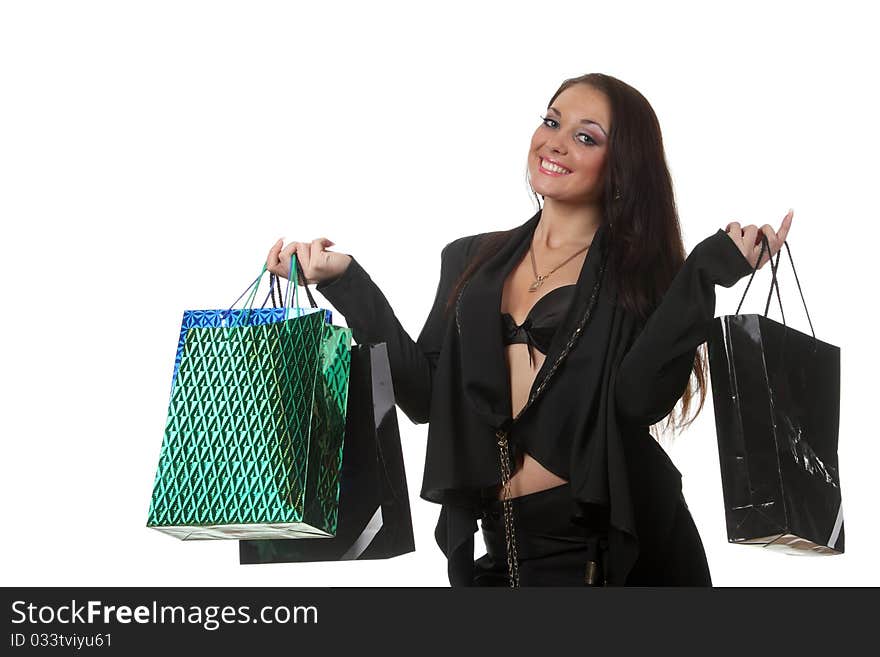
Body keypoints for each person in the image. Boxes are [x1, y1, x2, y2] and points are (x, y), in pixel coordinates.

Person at [266, 72, 793, 587]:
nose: (555, 143)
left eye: (585, 137)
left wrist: (702, 273)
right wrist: (346, 281)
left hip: (617, 557)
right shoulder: (470, 260)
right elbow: (424, 396)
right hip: (502, 555)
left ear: (621, 166)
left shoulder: (637, 277)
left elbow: (636, 403)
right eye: (551, 122)